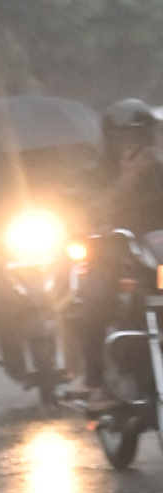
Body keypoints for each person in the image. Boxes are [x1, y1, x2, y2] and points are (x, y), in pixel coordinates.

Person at [73, 98, 163, 402]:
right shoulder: (93, 173)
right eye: (124, 136)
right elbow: (87, 214)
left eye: (138, 136)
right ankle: (95, 381)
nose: (132, 143)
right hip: (114, 260)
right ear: (110, 139)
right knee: (95, 300)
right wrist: (127, 180)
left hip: (156, 264)